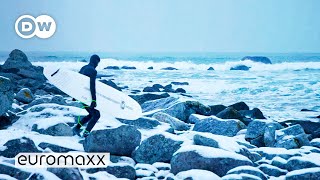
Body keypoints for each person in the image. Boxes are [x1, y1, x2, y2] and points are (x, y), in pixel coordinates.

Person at [73, 54, 101, 137]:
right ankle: (86, 134)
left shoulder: (83, 68)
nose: (97, 65)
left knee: (92, 114)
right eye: (98, 63)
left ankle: (77, 128)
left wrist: (74, 95)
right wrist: (94, 100)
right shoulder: (93, 70)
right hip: (85, 96)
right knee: (96, 115)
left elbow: (76, 81)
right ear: (95, 61)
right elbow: (92, 86)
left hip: (80, 95)